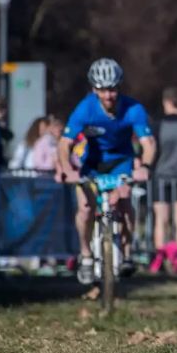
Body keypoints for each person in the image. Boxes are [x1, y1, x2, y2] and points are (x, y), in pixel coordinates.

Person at [55, 58, 158, 284]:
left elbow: (148, 143)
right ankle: (86, 256)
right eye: (103, 90)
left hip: (122, 161)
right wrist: (67, 168)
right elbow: (65, 143)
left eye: (112, 89)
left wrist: (146, 167)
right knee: (85, 208)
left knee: (124, 201)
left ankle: (127, 252)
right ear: (94, 89)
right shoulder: (85, 109)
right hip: (92, 162)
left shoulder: (133, 109)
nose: (109, 95)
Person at [150, 89, 177, 274]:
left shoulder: (158, 125)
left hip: (161, 176)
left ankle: (160, 256)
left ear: (166, 102)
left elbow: (153, 150)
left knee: (161, 220)